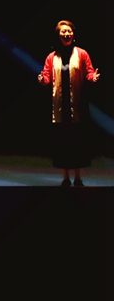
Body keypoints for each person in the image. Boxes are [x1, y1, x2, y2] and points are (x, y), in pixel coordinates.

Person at [37, 20, 100, 186]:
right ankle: (66, 178)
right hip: (60, 106)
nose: (66, 34)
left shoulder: (82, 53)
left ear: (73, 33)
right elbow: (46, 76)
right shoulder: (52, 57)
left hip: (78, 104)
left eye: (69, 31)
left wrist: (92, 78)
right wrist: (43, 80)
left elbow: (89, 72)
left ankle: (78, 178)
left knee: (78, 144)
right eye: (63, 32)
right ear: (58, 35)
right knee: (63, 145)